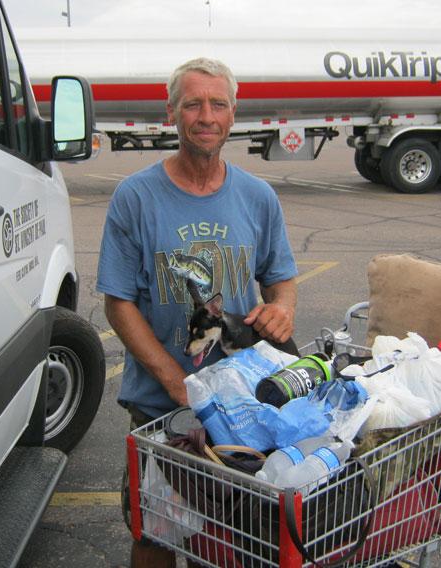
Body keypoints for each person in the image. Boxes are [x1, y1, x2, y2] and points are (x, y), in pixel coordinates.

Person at [96, 57, 298, 568]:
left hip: (242, 407)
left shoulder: (257, 197)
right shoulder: (136, 197)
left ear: (232, 114)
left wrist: (282, 308)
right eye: (193, 105)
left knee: (241, 541)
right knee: (156, 537)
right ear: (171, 113)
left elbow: (280, 277)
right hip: (164, 410)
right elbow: (118, 302)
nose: (206, 116)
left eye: (218, 104)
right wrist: (174, 382)